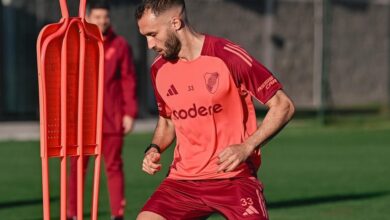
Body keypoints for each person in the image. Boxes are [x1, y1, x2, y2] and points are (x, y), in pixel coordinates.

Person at [134, 0, 295, 219]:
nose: (150, 44)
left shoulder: (227, 56)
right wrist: (154, 148)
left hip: (233, 178)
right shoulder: (159, 69)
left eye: (153, 34)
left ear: (175, 23)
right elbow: (168, 120)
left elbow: (282, 105)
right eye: (145, 36)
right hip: (182, 183)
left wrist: (247, 147)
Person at [67, 2, 138, 220]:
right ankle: (73, 213)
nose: (102, 21)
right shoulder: (76, 42)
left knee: (114, 167)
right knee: (77, 168)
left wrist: (130, 112)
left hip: (111, 119)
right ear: (88, 17)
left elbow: (128, 80)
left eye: (105, 17)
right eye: (97, 17)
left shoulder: (120, 45)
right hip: (81, 120)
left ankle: (118, 214)